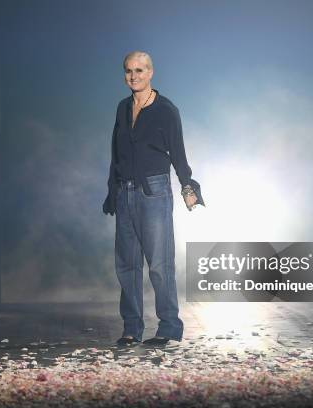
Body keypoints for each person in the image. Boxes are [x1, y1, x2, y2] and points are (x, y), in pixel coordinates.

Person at [103, 51, 204, 346]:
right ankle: (131, 327)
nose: (133, 76)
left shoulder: (166, 110)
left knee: (159, 264)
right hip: (125, 191)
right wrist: (112, 190)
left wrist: (188, 188)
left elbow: (178, 153)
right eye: (128, 71)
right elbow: (116, 153)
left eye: (139, 70)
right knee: (126, 264)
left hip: (154, 191)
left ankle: (169, 327)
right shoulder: (122, 108)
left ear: (151, 73)